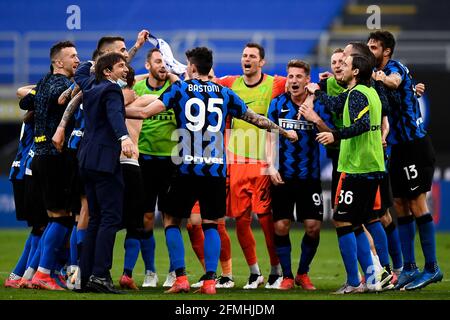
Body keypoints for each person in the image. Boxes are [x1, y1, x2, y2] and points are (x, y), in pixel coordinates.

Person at [126, 46, 297, 295]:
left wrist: (110, 108)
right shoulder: (224, 93)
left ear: (193, 68)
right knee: (211, 223)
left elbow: (143, 112)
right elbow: (255, 119)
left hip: (186, 167)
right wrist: (284, 132)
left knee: (171, 220)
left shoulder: (180, 89)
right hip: (216, 170)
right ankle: (209, 282)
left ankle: (181, 278)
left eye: (187, 65)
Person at [367, 30, 443, 290]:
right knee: (399, 204)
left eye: (374, 47)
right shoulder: (371, 73)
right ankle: (410, 268)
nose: (370, 50)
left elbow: (396, 81)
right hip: (397, 149)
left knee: (417, 203)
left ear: (386, 51)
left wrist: (382, 78)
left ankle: (432, 268)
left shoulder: (394, 68)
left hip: (415, 147)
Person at [306, 53, 385, 294]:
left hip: (359, 166)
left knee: (342, 219)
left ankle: (354, 281)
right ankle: (372, 280)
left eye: (346, 64)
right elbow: (338, 105)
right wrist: (318, 92)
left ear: (356, 72)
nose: (341, 66)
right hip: (368, 165)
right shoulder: (364, 93)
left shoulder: (359, 94)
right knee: (356, 221)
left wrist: (335, 135)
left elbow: (360, 125)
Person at [215, 43, 286, 289]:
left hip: (262, 162)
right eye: (244, 55)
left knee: (267, 222)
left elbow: (298, 82)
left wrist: (313, 85)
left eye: (252, 56)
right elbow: (207, 80)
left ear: (262, 62)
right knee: (241, 221)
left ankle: (276, 270)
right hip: (236, 162)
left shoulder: (275, 83)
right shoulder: (230, 84)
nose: (247, 59)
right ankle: (255, 273)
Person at [267, 60, 333, 291]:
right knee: (281, 226)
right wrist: (270, 165)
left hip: (310, 177)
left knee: (313, 227)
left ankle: (302, 273)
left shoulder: (319, 105)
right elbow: (269, 136)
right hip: (283, 175)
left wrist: (315, 117)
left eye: (298, 77)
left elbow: (330, 133)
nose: (293, 80)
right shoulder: (277, 104)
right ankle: (286, 276)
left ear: (308, 80)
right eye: (290, 76)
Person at [75, 52, 135, 294]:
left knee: (95, 219)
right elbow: (114, 115)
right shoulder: (111, 90)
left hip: (86, 159)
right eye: (121, 65)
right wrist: (124, 138)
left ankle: (87, 277)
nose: (126, 69)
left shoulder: (91, 84)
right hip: (103, 161)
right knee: (110, 218)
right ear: (108, 72)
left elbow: (80, 71)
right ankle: (100, 276)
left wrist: (94, 61)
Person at [28, 41, 79, 291]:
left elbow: (25, 103)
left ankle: (42, 273)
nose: (76, 60)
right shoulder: (61, 84)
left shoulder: (42, 82)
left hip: (39, 156)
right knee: (63, 219)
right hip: (55, 157)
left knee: (54, 219)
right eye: (72, 56)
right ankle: (44, 274)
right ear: (58, 62)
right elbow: (66, 99)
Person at [129, 48, 177, 288]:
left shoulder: (175, 89)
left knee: (171, 218)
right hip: (144, 160)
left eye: (165, 62)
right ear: (147, 66)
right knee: (146, 218)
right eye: (158, 61)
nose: (163, 65)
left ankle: (173, 271)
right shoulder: (137, 89)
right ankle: (150, 271)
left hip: (171, 160)